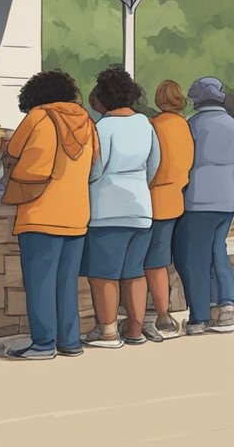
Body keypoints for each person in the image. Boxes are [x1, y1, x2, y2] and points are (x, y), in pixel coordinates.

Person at [2, 70, 97, 360]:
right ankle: (69, 340)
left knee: (40, 282)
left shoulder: (39, 117)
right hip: (77, 214)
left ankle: (43, 343)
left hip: (41, 212)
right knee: (66, 282)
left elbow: (14, 148)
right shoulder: (87, 122)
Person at [79, 68, 160, 347]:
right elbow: (154, 165)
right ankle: (135, 329)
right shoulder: (145, 124)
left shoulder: (102, 127)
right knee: (134, 273)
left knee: (104, 274)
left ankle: (108, 330)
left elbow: (96, 169)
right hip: (140, 207)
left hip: (107, 208)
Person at [174, 77, 234, 335]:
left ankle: (198, 317)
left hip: (199, 199)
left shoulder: (193, 125)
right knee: (217, 251)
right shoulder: (232, 124)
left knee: (195, 258)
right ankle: (227, 306)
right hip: (228, 198)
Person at [143, 80, 193, 341]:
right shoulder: (184, 126)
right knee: (162, 260)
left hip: (155, 199)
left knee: (153, 262)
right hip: (177, 198)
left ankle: (162, 315)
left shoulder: (155, 126)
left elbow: (152, 165)